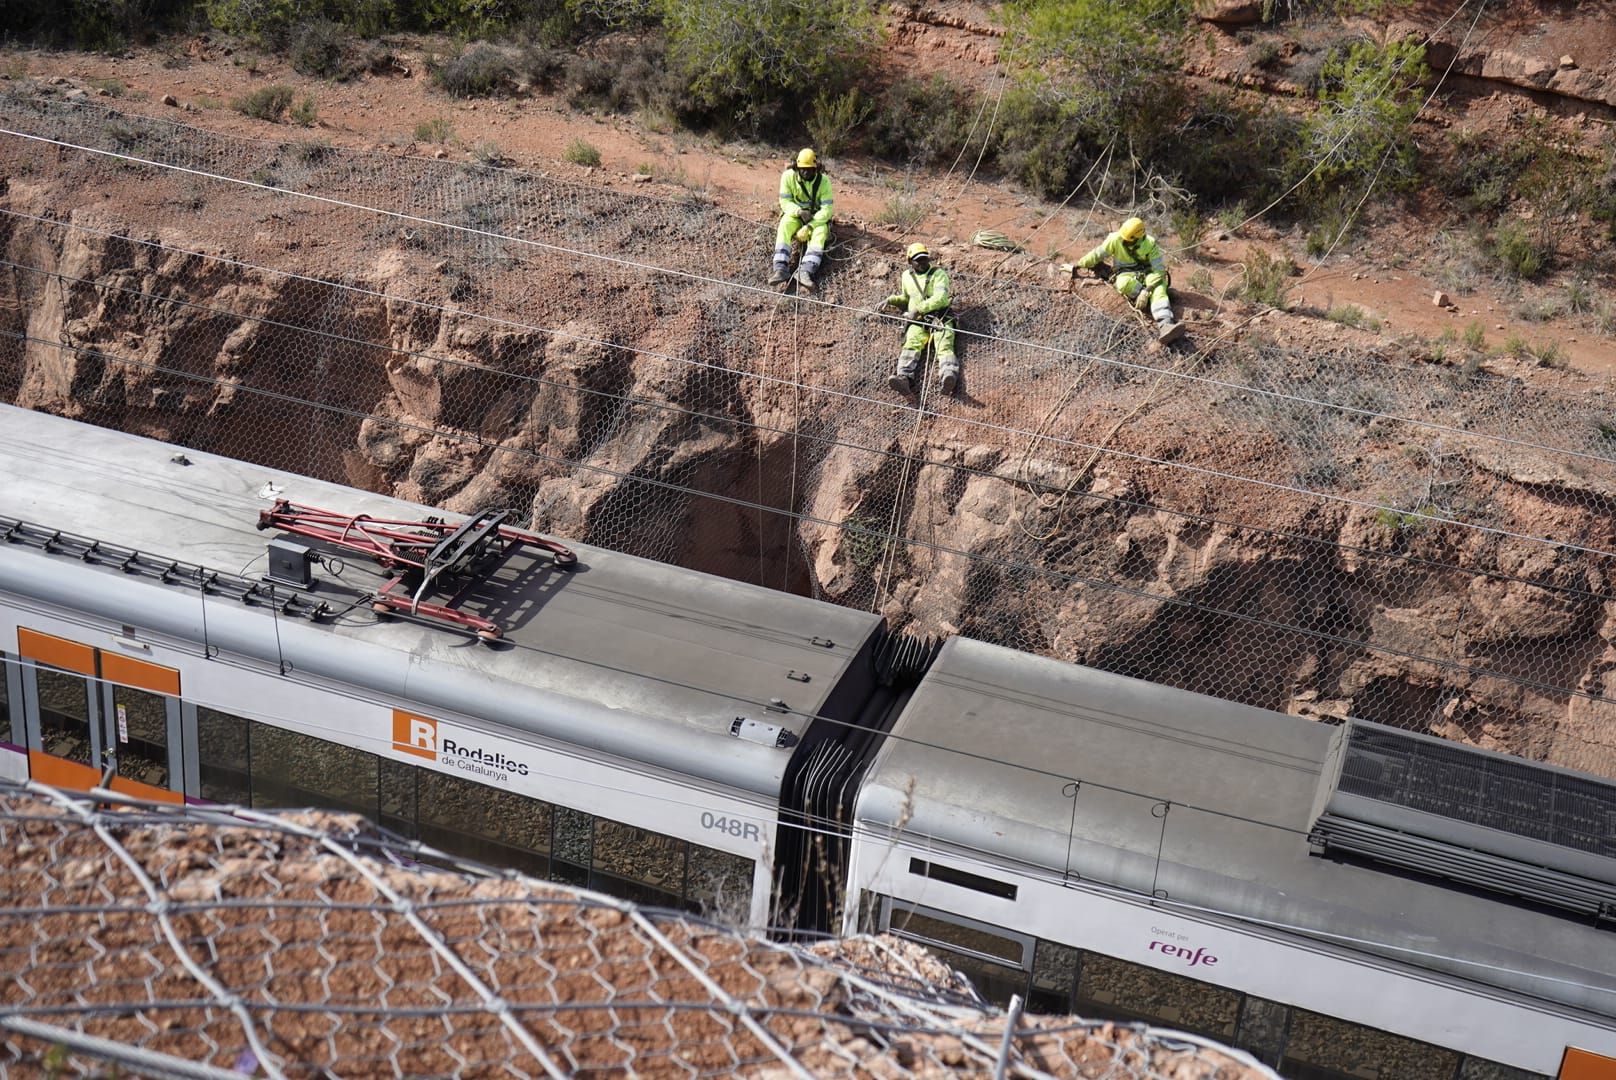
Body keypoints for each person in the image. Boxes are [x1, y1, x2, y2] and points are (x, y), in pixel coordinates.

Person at [1076, 216, 1183, 343]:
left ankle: (1166, 324)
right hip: (1125, 274)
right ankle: (1154, 298)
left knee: (1158, 287)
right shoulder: (1115, 239)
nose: (1124, 241)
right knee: (1122, 284)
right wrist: (1078, 265)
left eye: (1128, 240)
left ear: (1138, 237)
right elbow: (1097, 254)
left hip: (1148, 274)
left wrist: (1147, 289)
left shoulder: (1150, 244)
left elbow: (1158, 271)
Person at [884, 242, 959, 397]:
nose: (923, 262)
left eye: (925, 259)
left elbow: (941, 298)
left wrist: (918, 309)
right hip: (918, 320)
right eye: (918, 260)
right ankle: (904, 378)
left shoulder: (939, 274)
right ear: (910, 261)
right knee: (912, 342)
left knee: (944, 342)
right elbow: (906, 298)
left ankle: (948, 375)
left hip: (940, 316)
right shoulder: (906, 276)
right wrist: (891, 300)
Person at [769, 148, 834, 289]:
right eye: (802, 169)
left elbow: (827, 210)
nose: (805, 172)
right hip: (796, 215)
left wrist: (810, 226)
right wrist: (799, 211)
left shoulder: (824, 182)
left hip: (816, 219)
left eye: (809, 169)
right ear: (797, 167)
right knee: (785, 225)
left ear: (815, 168)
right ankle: (780, 268)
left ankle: (805, 271)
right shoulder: (788, 177)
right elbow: (785, 202)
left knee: (821, 233)